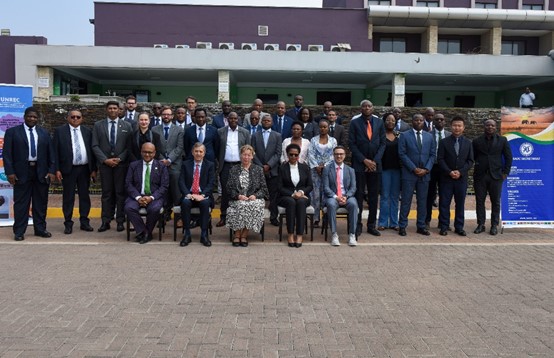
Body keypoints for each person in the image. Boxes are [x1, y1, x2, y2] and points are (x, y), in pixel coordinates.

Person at [4, 107, 56, 241]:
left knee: (40, 203)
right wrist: (10, 172)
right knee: (21, 204)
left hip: (41, 172)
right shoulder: (12, 132)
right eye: (30, 116)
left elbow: (51, 154)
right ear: (24, 116)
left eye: (35, 117)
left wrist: (51, 171)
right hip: (22, 172)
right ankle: (19, 231)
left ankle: (40, 229)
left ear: (38, 119)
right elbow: (7, 155)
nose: (32, 119)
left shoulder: (44, 133)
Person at [53, 109, 97, 234]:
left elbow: (91, 152)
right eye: (73, 117)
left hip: (84, 169)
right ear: (68, 118)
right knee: (68, 197)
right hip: (68, 169)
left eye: (78, 117)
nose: (75, 119)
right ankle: (68, 223)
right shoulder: (60, 132)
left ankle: (84, 221)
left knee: (84, 196)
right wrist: (56, 169)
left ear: (82, 118)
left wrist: (93, 169)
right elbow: (55, 151)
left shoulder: (87, 131)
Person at [92, 100, 133, 232]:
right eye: (110, 108)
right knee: (107, 194)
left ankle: (120, 221)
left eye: (115, 108)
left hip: (121, 165)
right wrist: (105, 160)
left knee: (120, 193)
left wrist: (120, 158)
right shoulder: (98, 125)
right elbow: (95, 145)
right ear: (106, 110)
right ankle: (106, 220)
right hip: (105, 165)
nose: (113, 110)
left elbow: (129, 146)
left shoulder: (127, 125)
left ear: (119, 110)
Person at [348, 100, 386, 236]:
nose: (367, 108)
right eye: (364, 106)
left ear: (372, 108)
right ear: (361, 109)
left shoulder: (380, 123)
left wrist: (374, 162)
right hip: (359, 165)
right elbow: (351, 144)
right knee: (358, 196)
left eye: (369, 106)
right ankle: (358, 225)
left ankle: (371, 225)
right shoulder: (354, 123)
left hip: (376, 166)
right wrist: (364, 161)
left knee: (373, 197)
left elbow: (383, 143)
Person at [398, 114, 436, 236]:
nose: (419, 122)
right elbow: (402, 154)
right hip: (409, 174)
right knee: (406, 201)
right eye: (416, 120)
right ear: (412, 121)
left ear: (423, 122)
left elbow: (432, 155)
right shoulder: (404, 136)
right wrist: (414, 168)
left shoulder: (429, 137)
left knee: (422, 201)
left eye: (421, 120)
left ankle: (421, 226)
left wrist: (426, 169)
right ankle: (402, 226)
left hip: (424, 174)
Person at [472, 119, 513, 236]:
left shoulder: (502, 140)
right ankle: (481, 224)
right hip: (480, 176)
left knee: (495, 202)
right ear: (484, 127)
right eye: (488, 125)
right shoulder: (477, 141)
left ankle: (494, 225)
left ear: (496, 127)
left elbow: (509, 158)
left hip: (496, 176)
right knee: (480, 201)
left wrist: (505, 173)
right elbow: (472, 157)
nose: (490, 127)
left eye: (492, 125)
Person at [124, 142, 169, 244]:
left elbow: (164, 186)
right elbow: (128, 183)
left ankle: (144, 232)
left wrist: (151, 197)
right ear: (141, 152)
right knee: (128, 207)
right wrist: (138, 197)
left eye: (150, 152)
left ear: (154, 153)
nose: (147, 155)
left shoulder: (161, 166)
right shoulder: (133, 165)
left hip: (154, 197)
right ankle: (145, 232)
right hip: (137, 196)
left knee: (154, 208)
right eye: (145, 152)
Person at [437, 116, 474, 236]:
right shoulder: (443, 142)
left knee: (460, 204)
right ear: (451, 126)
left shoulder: (468, 143)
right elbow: (440, 159)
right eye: (454, 125)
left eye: (459, 126)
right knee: (444, 203)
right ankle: (444, 226)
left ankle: (459, 227)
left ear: (463, 128)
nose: (457, 128)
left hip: (461, 179)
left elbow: (470, 161)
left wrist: (460, 172)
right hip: (446, 178)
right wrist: (449, 171)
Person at [227, 145, 269, 247]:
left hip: (254, 198)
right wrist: (238, 196)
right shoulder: (234, 169)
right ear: (240, 156)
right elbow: (229, 188)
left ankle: (244, 234)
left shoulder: (258, 170)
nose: (246, 157)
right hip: (238, 198)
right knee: (241, 204)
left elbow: (264, 189)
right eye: (244, 155)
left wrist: (255, 195)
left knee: (253, 205)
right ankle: (237, 234)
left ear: (252, 156)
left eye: (248, 155)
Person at [216, 111, 251, 227]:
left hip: (240, 165)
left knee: (240, 191)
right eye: (231, 118)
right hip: (225, 165)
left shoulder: (245, 132)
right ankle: (224, 217)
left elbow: (248, 149)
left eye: (235, 119)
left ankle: (238, 217)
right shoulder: (220, 132)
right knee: (226, 192)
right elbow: (217, 149)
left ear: (238, 120)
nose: (233, 121)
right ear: (227, 120)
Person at [179, 142, 215, 247]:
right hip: (189, 195)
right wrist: (188, 194)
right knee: (185, 203)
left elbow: (211, 183)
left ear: (204, 153)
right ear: (192, 152)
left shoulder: (210, 165)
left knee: (204, 204)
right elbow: (181, 182)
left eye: (200, 151)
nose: (198, 153)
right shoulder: (186, 164)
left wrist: (202, 195)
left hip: (203, 195)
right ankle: (187, 234)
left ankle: (204, 235)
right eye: (196, 151)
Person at [152, 106, 184, 221]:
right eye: (164, 114)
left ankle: (178, 214)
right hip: (159, 163)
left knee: (176, 190)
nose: (166, 116)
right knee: (162, 188)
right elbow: (154, 147)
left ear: (172, 116)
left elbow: (179, 147)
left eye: (168, 114)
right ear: (161, 115)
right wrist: (162, 160)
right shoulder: (155, 129)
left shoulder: (179, 130)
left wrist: (169, 160)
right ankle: (164, 213)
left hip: (174, 164)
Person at [278, 143, 313, 248]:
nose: (293, 157)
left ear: (299, 155)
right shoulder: (282, 168)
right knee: (291, 202)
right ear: (287, 155)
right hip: (286, 196)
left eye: (296, 155)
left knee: (301, 202)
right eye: (291, 154)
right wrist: (293, 194)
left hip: (303, 196)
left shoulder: (305, 168)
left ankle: (299, 234)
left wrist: (301, 192)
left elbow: (310, 186)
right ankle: (290, 234)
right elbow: (280, 187)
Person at [322, 146, 358, 246]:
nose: (339, 156)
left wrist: (346, 196)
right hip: (333, 197)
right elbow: (325, 187)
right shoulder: (327, 169)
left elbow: (353, 188)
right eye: (337, 154)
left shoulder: (350, 170)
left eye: (341, 154)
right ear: (333, 155)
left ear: (345, 155)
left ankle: (352, 235)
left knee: (354, 204)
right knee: (331, 204)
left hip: (347, 197)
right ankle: (334, 234)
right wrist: (336, 197)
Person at [252, 114, 283, 226]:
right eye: (264, 120)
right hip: (258, 170)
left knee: (273, 195)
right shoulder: (255, 135)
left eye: (268, 120)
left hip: (273, 170)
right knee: (257, 195)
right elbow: (253, 152)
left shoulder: (277, 135)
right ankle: (257, 218)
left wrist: (269, 165)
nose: (266, 122)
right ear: (261, 122)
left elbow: (278, 153)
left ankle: (273, 217)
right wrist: (261, 166)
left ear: (272, 122)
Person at [308, 119, 337, 227]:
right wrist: (316, 166)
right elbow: (310, 153)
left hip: (328, 170)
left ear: (328, 127)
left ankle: (326, 218)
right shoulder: (313, 140)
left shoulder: (333, 141)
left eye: (325, 127)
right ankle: (315, 219)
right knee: (315, 194)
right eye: (321, 127)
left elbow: (333, 155)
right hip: (315, 171)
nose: (323, 129)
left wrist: (324, 167)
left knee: (327, 193)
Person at [425, 112, 451, 229]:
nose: (439, 121)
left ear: (445, 121)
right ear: (433, 122)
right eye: (437, 120)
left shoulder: (449, 135)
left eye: (441, 119)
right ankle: (426, 220)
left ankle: (443, 222)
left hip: (445, 169)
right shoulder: (427, 135)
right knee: (429, 195)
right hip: (432, 167)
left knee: (445, 196)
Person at [377, 113, 402, 232]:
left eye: (393, 120)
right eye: (388, 120)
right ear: (384, 121)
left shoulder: (399, 136)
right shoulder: (380, 135)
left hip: (397, 170)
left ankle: (394, 222)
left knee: (395, 197)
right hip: (384, 170)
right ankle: (382, 222)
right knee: (384, 196)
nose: (390, 122)